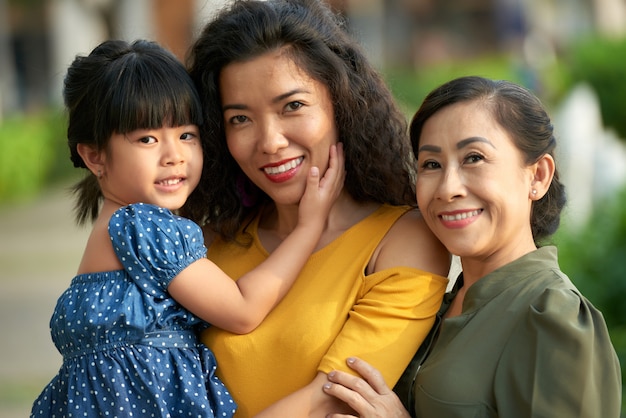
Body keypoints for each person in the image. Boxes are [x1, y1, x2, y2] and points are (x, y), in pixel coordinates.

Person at [30, 39, 345, 418]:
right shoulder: (143, 225)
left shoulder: (112, 227)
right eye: (147, 138)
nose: (174, 155)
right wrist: (308, 228)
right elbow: (242, 310)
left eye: (187, 135)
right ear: (95, 156)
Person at [184, 0, 451, 416]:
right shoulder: (207, 241)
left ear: (340, 103)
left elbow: (329, 400)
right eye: (240, 118)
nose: (270, 141)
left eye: (292, 106)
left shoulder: (403, 241)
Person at [322, 75, 623, 417]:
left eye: (474, 158)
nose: (448, 188)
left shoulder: (555, 317)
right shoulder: (438, 303)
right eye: (431, 164)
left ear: (538, 175)